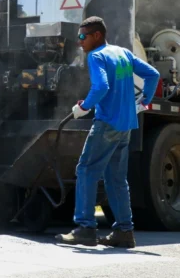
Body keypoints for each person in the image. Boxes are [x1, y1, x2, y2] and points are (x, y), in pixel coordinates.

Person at [56, 16, 159, 248]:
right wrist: (145, 102)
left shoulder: (97, 56)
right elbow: (152, 74)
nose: (80, 41)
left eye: (83, 36)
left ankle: (85, 228)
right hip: (126, 126)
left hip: (106, 124)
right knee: (116, 179)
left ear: (97, 36)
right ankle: (124, 232)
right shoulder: (122, 53)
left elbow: (101, 86)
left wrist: (84, 107)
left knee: (86, 170)